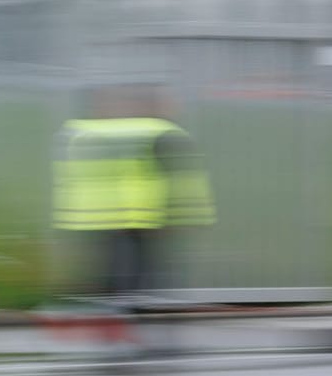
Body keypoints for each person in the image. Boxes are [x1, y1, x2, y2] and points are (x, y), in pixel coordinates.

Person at [52, 84, 214, 316]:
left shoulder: (80, 130)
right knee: (142, 267)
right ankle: (136, 309)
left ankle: (110, 307)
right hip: (139, 212)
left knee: (109, 264)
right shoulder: (159, 131)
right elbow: (181, 180)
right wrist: (187, 215)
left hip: (89, 213)